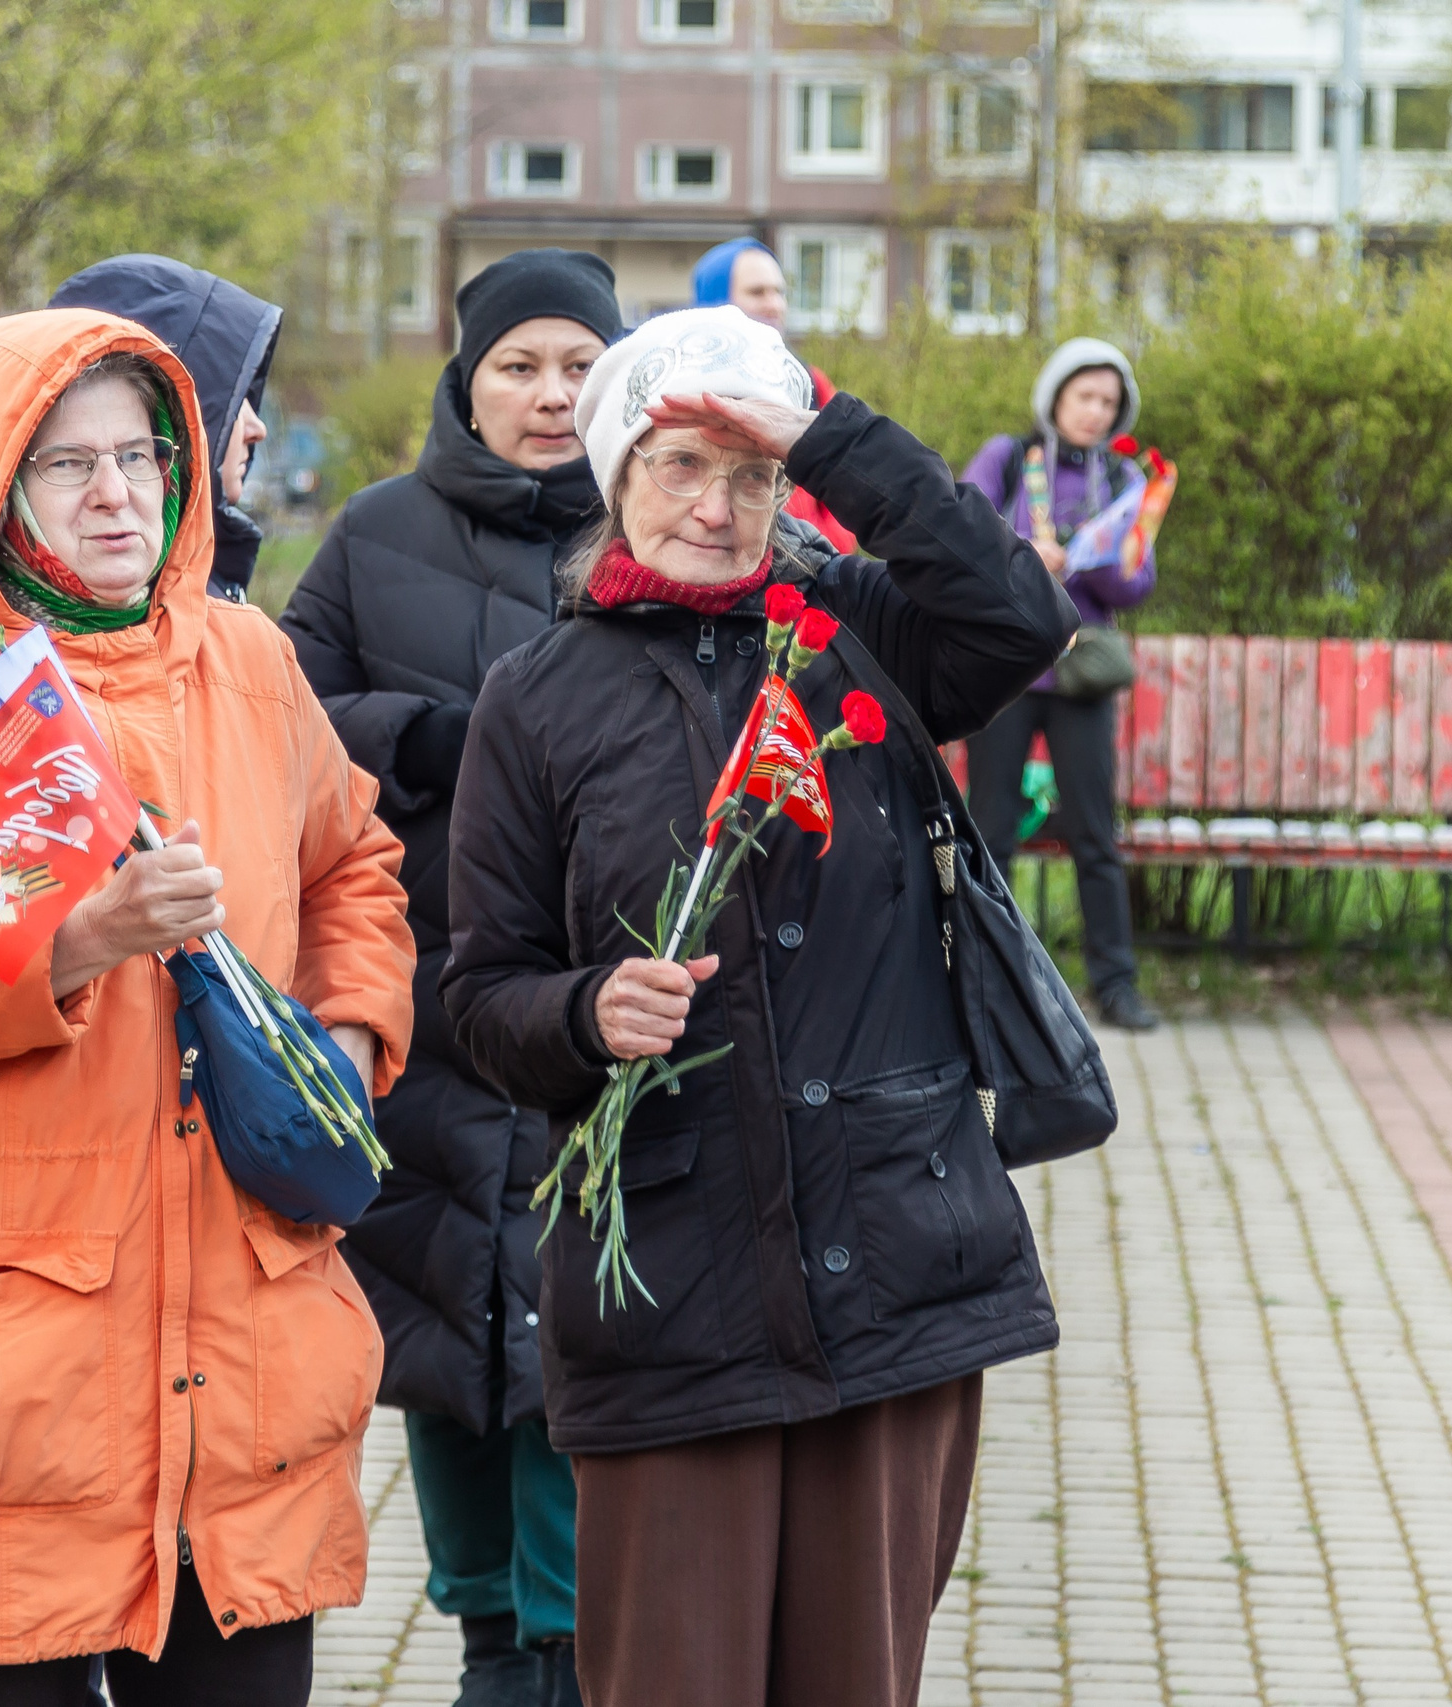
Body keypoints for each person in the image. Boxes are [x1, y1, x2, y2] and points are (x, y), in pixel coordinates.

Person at [440, 305, 1076, 1706]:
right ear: (614, 477)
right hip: (672, 1286)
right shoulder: (534, 701)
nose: (717, 509)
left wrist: (832, 439)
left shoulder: (865, 639)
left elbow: (1024, 615)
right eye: (679, 465)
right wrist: (586, 1008)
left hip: (891, 1265)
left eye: (753, 473)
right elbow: (478, 996)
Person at [0, 307, 415, 1707]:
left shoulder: (249, 665)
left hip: (238, 1372)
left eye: (138, 452)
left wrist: (349, 1049)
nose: (116, 491)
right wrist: (76, 945)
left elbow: (354, 864)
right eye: (64, 464)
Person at [280, 246, 618, 1707]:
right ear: (465, 382)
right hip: (418, 983)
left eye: (580, 366)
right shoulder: (375, 531)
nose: (552, 396)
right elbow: (281, 709)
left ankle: (560, 1640)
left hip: (592, 998)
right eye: (520, 367)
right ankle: (486, 1632)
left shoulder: (651, 523)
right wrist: (428, 738)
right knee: (430, 1319)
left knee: (568, 1324)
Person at [959, 337, 1159, 1033]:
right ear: (1057, 396)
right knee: (989, 832)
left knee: (1095, 836)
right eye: (1085, 396)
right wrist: (1024, 552)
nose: (1096, 412)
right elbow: (960, 536)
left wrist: (1083, 559)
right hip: (1007, 670)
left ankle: (1116, 987)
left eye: (1109, 401)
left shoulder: (1128, 479)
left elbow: (1135, 581)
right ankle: (984, 989)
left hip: (1081, 676)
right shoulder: (1008, 457)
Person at [49, 254, 281, 603]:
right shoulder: (131, 612)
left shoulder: (227, 620)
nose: (257, 427)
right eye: (235, 395)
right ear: (182, 408)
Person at [691, 237, 856, 553]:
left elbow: (845, 483)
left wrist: (824, 547)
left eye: (779, 292)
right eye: (757, 292)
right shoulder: (685, 390)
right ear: (715, 300)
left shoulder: (811, 382)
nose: (775, 304)